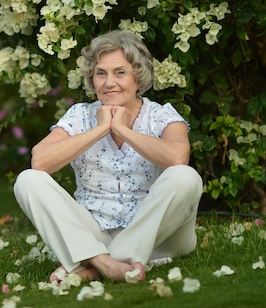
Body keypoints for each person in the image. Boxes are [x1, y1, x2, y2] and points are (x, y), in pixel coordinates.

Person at [13, 30, 203, 284]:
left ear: (139, 77)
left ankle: (91, 263)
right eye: (101, 73)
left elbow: (178, 157)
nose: (109, 82)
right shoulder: (80, 115)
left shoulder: (162, 115)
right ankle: (106, 263)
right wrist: (101, 128)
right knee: (28, 180)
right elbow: (40, 160)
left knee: (185, 177)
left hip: (161, 237)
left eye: (120, 72)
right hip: (96, 231)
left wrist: (122, 128)